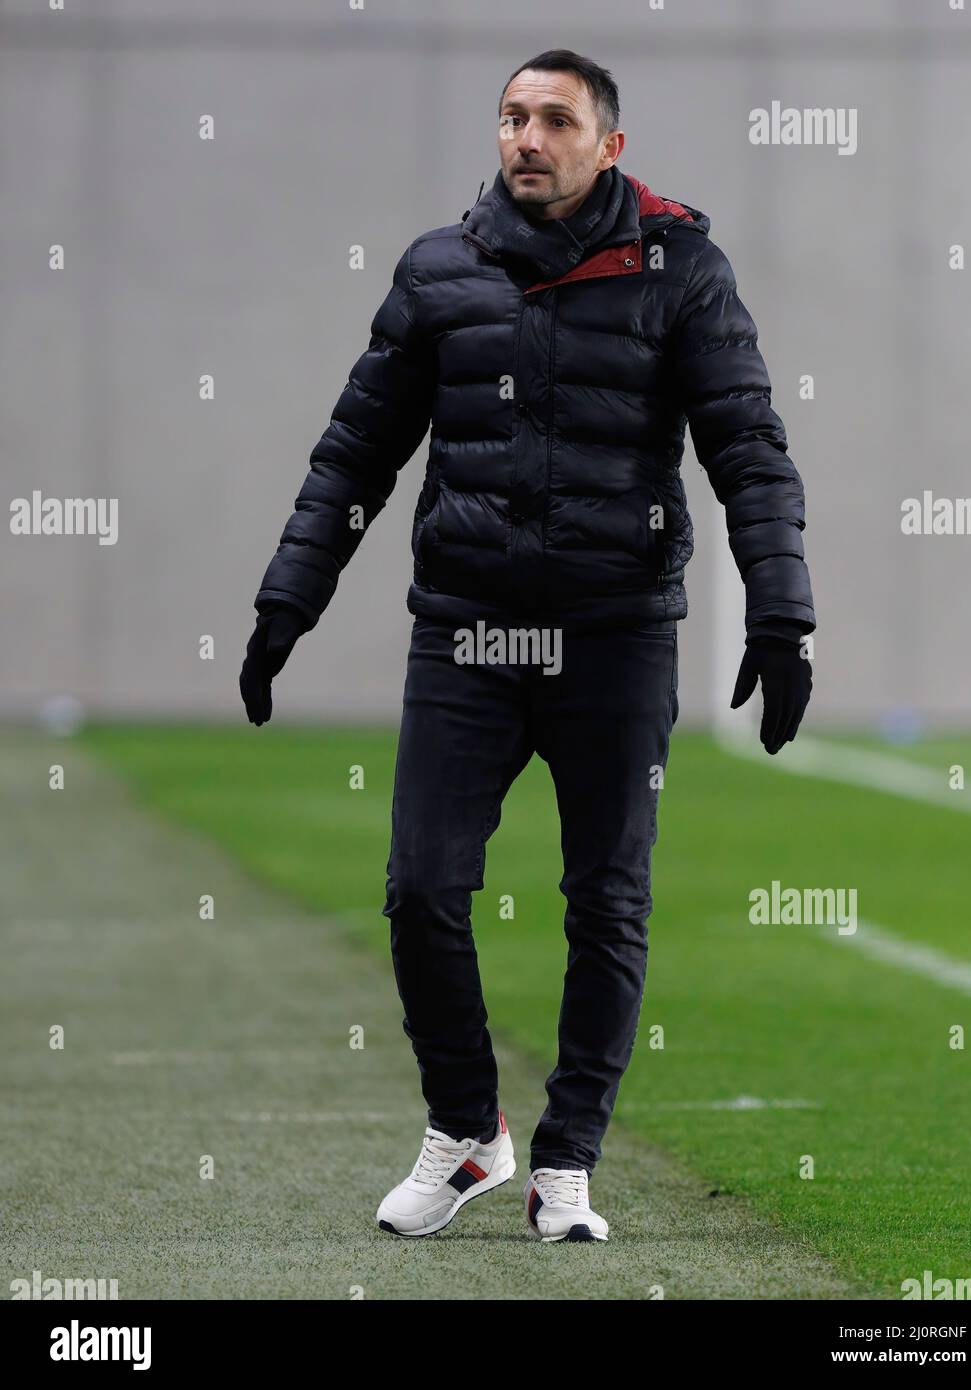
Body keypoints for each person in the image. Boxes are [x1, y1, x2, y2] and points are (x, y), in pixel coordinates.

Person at [240, 49, 815, 1244]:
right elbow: (355, 453)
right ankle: (467, 1135)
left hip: (615, 637)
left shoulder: (679, 271)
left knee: (605, 901)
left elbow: (746, 448)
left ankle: (567, 1163)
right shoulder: (439, 271)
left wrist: (780, 610)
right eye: (510, 117)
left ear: (607, 144)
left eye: (554, 118)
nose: (525, 137)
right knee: (420, 890)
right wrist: (286, 600)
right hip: (465, 634)